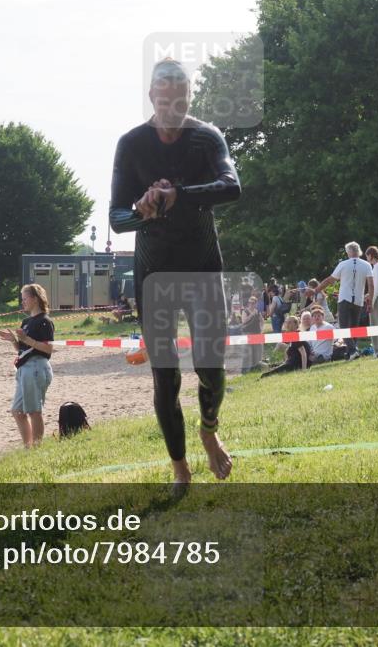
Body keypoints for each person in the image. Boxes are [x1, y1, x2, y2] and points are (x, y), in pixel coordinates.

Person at [109, 57, 241, 484]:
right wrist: (143, 211)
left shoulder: (206, 137)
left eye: (181, 100)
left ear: (189, 97)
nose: (173, 110)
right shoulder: (131, 144)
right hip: (154, 270)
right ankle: (180, 467)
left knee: (211, 368)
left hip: (201, 265)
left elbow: (231, 186)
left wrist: (177, 195)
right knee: (164, 377)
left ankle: (209, 431)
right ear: (152, 97)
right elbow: (115, 217)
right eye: (165, 101)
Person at [0, 284, 55, 448]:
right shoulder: (26, 321)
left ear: (35, 299)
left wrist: (26, 339)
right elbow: (22, 349)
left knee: (33, 411)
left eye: (25, 298)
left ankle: (36, 447)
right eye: (21, 299)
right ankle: (28, 447)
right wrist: (14, 341)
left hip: (37, 367)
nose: (22, 302)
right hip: (25, 369)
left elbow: (47, 349)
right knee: (17, 411)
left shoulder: (44, 321)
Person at [316, 242, 370, 360]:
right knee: (354, 327)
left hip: (344, 298)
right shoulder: (366, 265)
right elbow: (371, 283)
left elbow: (330, 280)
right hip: (358, 299)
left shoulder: (343, 264)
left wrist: (317, 289)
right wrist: (370, 299)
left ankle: (352, 350)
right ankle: (352, 352)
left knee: (344, 327)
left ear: (349, 252)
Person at [239, 295, 264, 374]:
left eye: (253, 303)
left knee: (257, 351)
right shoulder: (245, 311)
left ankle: (255, 368)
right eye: (250, 303)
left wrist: (261, 328)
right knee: (247, 352)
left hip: (257, 333)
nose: (251, 304)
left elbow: (262, 321)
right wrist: (251, 314)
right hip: (247, 333)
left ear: (256, 303)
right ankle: (245, 370)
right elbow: (244, 321)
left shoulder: (257, 311)